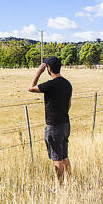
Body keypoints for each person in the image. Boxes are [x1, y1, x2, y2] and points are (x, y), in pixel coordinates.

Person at [28, 55, 72, 189]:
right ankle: (68, 183)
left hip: (54, 126)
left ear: (49, 69)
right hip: (65, 124)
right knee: (64, 155)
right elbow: (69, 104)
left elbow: (31, 88)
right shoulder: (67, 83)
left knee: (56, 158)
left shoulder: (50, 85)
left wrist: (38, 72)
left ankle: (59, 187)